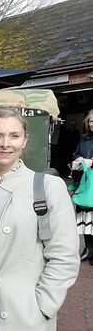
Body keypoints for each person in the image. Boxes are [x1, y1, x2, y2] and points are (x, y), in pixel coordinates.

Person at [0, 106, 79, 331]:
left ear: (25, 140)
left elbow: (64, 256)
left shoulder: (47, 187)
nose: (5, 144)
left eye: (14, 136)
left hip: (25, 315)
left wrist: (43, 305)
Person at [72, 110, 93, 262]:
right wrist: (78, 158)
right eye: (91, 121)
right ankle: (88, 249)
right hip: (85, 184)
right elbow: (75, 153)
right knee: (86, 216)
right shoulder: (84, 140)